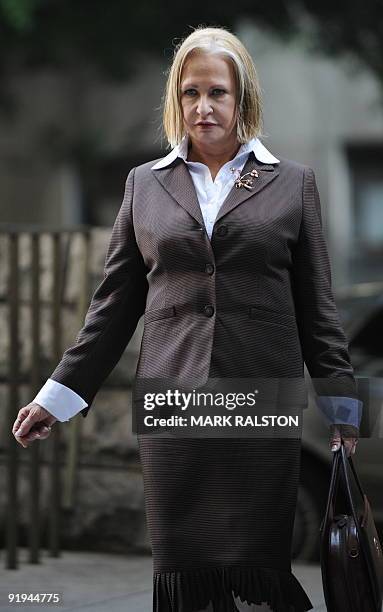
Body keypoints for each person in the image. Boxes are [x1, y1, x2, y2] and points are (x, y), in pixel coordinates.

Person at [12, 25, 362, 612]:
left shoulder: (292, 183)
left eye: (217, 93)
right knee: (184, 569)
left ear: (241, 99)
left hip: (261, 397)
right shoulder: (144, 184)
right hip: (172, 399)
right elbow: (114, 304)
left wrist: (346, 411)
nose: (204, 107)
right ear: (177, 99)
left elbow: (318, 309)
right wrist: (58, 394)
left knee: (258, 568)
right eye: (190, 92)